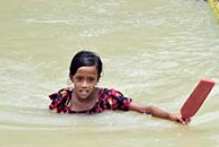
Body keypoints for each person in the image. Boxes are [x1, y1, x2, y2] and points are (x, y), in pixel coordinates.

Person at [48, 50, 189, 123]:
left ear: (98, 79)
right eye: (79, 79)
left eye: (90, 79)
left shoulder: (109, 98)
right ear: (71, 77)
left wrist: (171, 116)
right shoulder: (63, 98)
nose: (84, 85)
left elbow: (146, 109)